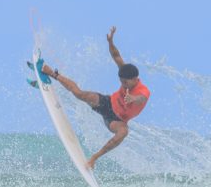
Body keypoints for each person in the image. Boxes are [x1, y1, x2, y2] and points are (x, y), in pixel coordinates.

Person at [39, 27, 151, 169]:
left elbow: (142, 98)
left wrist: (133, 99)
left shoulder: (143, 90)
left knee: (123, 132)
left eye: (126, 82)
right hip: (107, 102)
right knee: (80, 94)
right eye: (121, 81)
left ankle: (94, 158)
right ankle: (52, 74)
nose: (123, 84)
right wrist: (111, 42)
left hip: (117, 120)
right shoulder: (126, 71)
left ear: (135, 79)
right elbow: (116, 56)